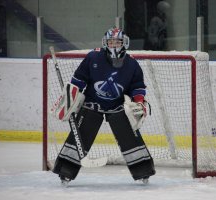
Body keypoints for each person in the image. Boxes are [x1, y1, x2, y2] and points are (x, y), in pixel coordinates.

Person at [52, 27, 156, 185]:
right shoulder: (93, 57)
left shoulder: (132, 64)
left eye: (118, 42)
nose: (114, 45)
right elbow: (78, 80)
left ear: (124, 43)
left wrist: (139, 101)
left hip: (117, 107)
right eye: (111, 41)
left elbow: (137, 87)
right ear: (105, 43)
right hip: (92, 105)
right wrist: (70, 97)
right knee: (80, 134)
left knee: (130, 135)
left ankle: (143, 172)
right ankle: (65, 171)